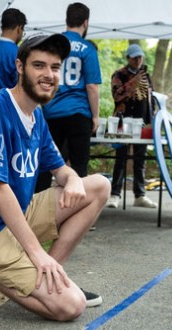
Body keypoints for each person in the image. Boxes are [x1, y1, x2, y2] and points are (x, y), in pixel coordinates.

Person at [0, 33, 110, 319]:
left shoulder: (36, 116)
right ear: (20, 67)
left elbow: (60, 168)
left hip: (13, 217)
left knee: (98, 186)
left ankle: (51, 276)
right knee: (70, 306)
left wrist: (70, 178)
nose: (49, 75)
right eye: (39, 66)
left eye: (55, 67)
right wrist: (36, 253)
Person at [35, 2, 101, 192]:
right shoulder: (87, 49)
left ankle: (37, 210)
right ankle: (76, 211)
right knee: (79, 167)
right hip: (78, 112)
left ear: (66, 20)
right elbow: (92, 86)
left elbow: (41, 78)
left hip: (52, 112)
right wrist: (95, 117)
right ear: (86, 23)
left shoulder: (52, 46)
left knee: (46, 164)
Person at [106, 44, 158, 209]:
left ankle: (140, 194)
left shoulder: (146, 75)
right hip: (123, 121)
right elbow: (116, 95)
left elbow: (151, 96)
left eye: (140, 57)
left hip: (142, 122)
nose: (138, 60)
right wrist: (131, 84)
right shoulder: (119, 74)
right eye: (135, 57)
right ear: (128, 58)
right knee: (120, 158)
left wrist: (153, 114)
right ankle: (115, 194)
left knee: (140, 159)